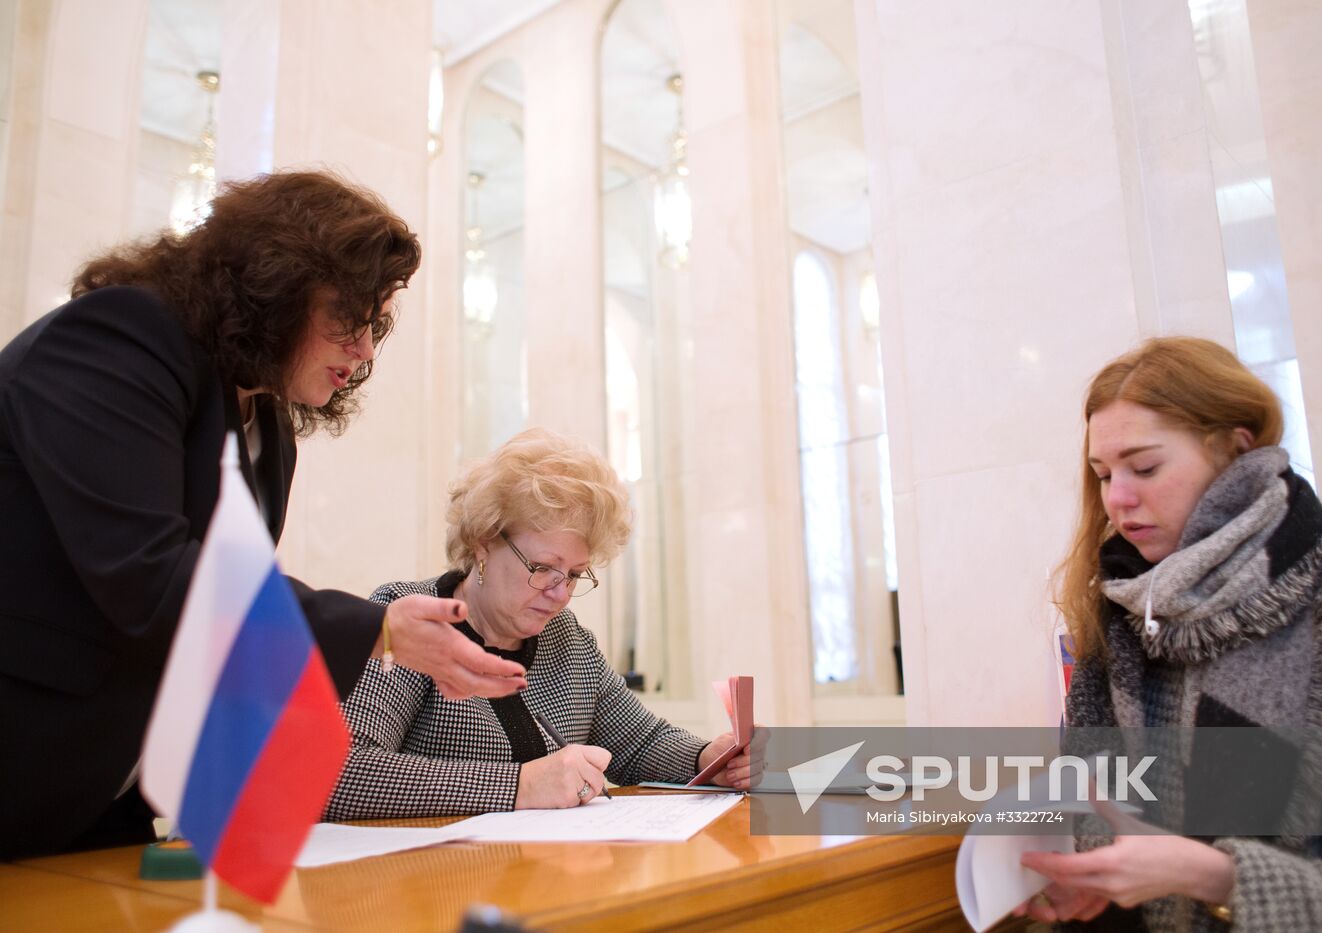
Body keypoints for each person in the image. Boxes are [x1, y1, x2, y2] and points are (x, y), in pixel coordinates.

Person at [0, 170, 527, 860]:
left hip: (100, 798)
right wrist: (379, 629)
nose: (367, 348)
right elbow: (151, 575)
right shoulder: (120, 337)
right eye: (350, 315)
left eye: (375, 324)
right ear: (276, 283)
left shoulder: (265, 422)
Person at [1016, 337, 1322, 930]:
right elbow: (1092, 804)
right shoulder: (1118, 613)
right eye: (1102, 474)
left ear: (1236, 451)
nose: (1118, 499)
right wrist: (1087, 880)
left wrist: (1213, 875)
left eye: (1145, 467)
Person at [325, 428, 762, 818]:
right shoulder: (407, 617)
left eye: (574, 574)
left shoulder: (566, 639)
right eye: (543, 567)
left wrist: (709, 757)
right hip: (432, 889)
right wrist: (520, 786)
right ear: (483, 544)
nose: (560, 593)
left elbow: (639, 742)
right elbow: (338, 773)